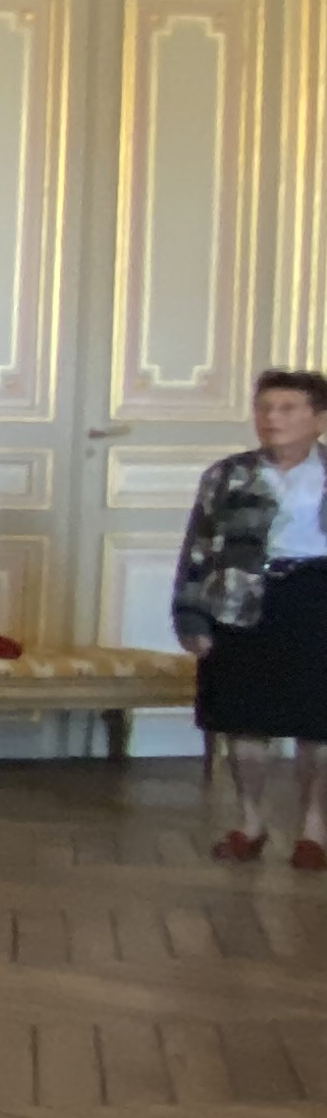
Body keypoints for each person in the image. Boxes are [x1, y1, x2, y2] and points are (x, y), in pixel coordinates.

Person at [173, 367, 327, 868]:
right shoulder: (227, 475)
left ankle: (313, 829)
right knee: (244, 720)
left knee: (318, 724)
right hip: (242, 603)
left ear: (318, 419)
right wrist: (191, 618)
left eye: (286, 409)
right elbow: (198, 548)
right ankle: (250, 822)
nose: (271, 419)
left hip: (316, 598)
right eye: (264, 408)